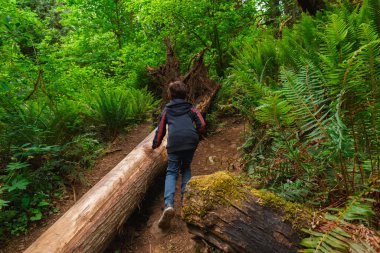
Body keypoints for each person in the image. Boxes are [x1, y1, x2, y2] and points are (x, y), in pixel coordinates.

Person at [143, 80, 206, 229]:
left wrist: (154, 146)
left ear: (170, 95)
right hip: (191, 141)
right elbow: (202, 124)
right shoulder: (191, 108)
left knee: (171, 172)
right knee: (186, 169)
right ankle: (186, 202)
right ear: (185, 95)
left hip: (175, 143)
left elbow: (160, 131)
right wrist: (196, 134)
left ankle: (169, 205)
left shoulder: (167, 110)